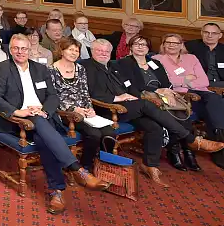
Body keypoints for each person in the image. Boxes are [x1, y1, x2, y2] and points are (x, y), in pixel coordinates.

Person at [0, 34, 109, 214]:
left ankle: (57, 191)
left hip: (43, 118)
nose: (20, 52)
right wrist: (18, 112)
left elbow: (53, 96)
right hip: (17, 121)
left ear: (29, 50)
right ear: (10, 50)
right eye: (15, 48)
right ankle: (77, 171)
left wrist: (44, 111)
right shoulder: (2, 68)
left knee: (43, 137)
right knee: (41, 127)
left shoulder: (40, 69)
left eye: (24, 48)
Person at [83, 39, 223, 185]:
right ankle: (190, 139)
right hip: (107, 108)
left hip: (128, 106)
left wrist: (131, 95)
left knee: (154, 127)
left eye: (106, 51)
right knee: (146, 104)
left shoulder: (113, 66)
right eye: (99, 50)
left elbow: (128, 85)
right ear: (91, 51)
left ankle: (150, 165)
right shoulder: (87, 67)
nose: (103, 53)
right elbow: (90, 93)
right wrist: (119, 97)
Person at [114, 35, 202, 172]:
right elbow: (132, 87)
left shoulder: (154, 62)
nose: (140, 47)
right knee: (172, 117)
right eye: (136, 44)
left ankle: (187, 152)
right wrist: (157, 91)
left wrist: (167, 92)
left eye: (144, 44)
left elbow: (166, 83)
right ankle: (175, 152)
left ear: (148, 48)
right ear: (130, 47)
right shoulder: (124, 63)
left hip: (162, 96)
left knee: (182, 115)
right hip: (144, 98)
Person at [48, 37, 113, 171]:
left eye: (76, 51)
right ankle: (85, 167)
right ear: (62, 51)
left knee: (109, 132)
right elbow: (53, 97)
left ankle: (104, 164)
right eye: (70, 50)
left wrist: (89, 108)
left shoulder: (80, 69)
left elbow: (85, 92)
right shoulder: (51, 70)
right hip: (65, 113)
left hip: (84, 111)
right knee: (94, 134)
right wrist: (74, 109)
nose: (74, 53)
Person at [153, 34, 224, 140]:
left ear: (181, 45)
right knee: (208, 108)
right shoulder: (156, 60)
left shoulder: (191, 58)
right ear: (163, 45)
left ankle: (218, 134)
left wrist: (182, 81)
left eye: (176, 43)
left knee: (215, 98)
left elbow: (204, 81)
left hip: (200, 91)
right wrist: (187, 78)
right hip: (179, 94)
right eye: (168, 42)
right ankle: (217, 137)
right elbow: (164, 81)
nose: (172, 45)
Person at [185, 23, 224, 88]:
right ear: (201, 33)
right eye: (206, 32)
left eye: (214, 33)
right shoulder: (190, 46)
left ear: (220, 35)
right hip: (198, 83)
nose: (210, 36)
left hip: (221, 83)